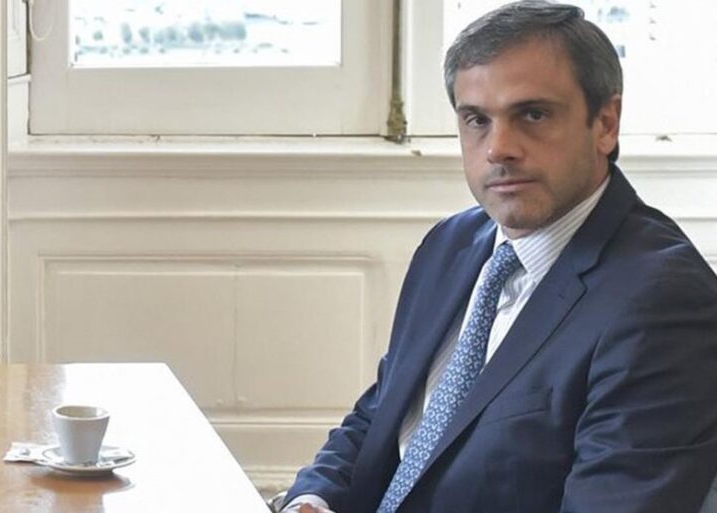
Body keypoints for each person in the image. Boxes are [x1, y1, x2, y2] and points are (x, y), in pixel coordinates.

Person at [282, 2, 717, 512]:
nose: (499, 148)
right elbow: (384, 414)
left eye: (533, 115)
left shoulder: (663, 300)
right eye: (477, 120)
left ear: (605, 123)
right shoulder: (450, 244)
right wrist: (313, 499)